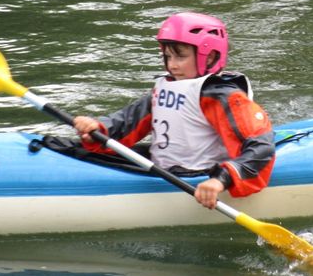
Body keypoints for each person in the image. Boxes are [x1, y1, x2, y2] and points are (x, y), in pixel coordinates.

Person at [74, 12, 275, 210]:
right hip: (165, 167)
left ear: (210, 56)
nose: (172, 65)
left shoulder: (221, 95)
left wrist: (220, 180)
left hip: (200, 174)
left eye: (180, 56)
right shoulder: (167, 85)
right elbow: (129, 121)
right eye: (168, 56)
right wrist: (97, 130)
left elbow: (262, 146)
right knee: (72, 148)